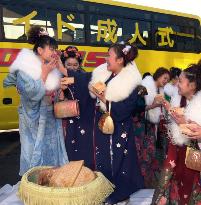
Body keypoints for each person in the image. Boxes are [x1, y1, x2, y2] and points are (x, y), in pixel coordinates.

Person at [60, 42, 145, 204]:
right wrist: (63, 71)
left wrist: (103, 98)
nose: (106, 58)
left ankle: (121, 195)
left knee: (120, 162)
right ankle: (105, 192)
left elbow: (126, 109)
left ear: (120, 60)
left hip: (119, 130)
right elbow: (84, 79)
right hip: (104, 128)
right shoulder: (105, 74)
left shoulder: (130, 81)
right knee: (104, 161)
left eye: (109, 56)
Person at [3, 26, 68, 176]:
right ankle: (33, 185)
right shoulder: (26, 68)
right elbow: (30, 94)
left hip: (51, 118)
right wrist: (44, 74)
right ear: (40, 50)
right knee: (33, 153)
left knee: (52, 152)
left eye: (55, 49)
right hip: (33, 119)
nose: (55, 53)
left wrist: (60, 90)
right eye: (51, 49)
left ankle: (50, 182)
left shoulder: (54, 68)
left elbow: (57, 96)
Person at [152, 63, 201, 205]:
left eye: (181, 81)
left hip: (192, 154)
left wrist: (182, 122)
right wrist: (168, 109)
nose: (177, 84)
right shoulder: (179, 99)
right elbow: (176, 122)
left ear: (192, 86)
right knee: (167, 178)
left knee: (188, 184)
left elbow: (193, 130)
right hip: (175, 148)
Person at [136, 67, 170, 188]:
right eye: (164, 78)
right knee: (142, 152)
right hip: (140, 124)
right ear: (158, 75)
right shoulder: (145, 85)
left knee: (150, 152)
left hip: (150, 125)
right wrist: (154, 104)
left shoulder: (160, 89)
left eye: (168, 79)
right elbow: (138, 107)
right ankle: (140, 179)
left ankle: (146, 179)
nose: (166, 81)